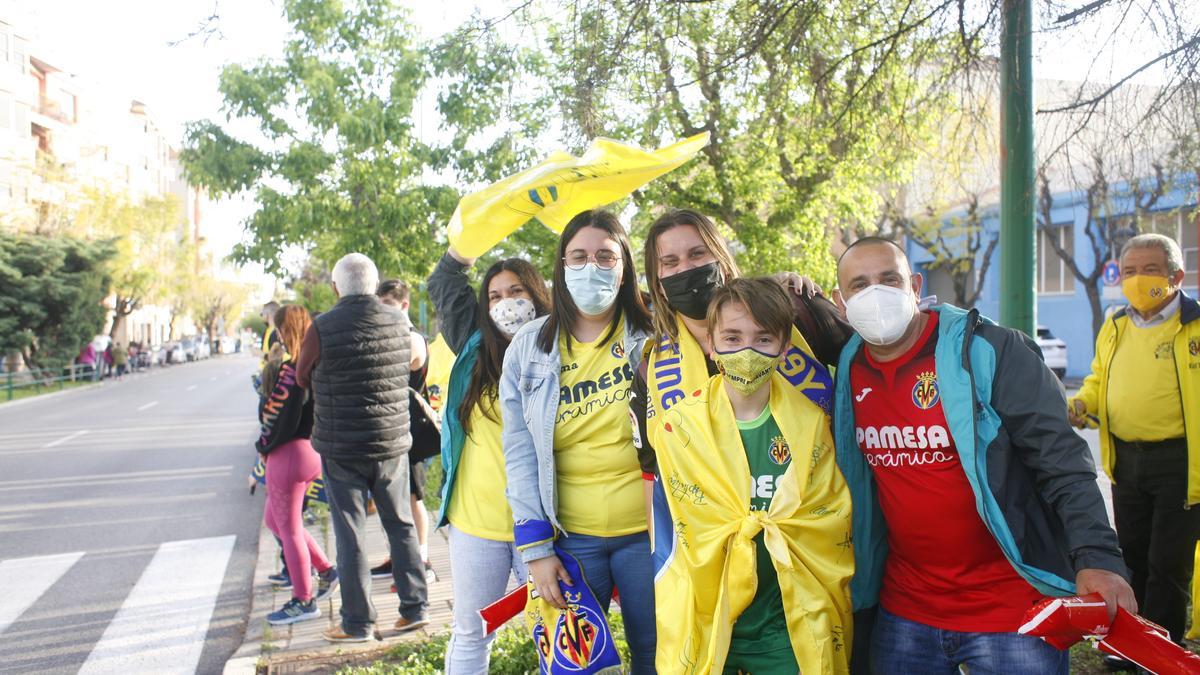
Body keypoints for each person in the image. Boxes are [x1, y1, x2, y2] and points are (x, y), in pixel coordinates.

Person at [832, 237, 1135, 674]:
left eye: (889, 279)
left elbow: (1063, 462)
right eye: (859, 285)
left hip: (1013, 611)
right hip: (906, 612)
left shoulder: (990, 350)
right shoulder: (848, 367)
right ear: (841, 304)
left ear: (915, 286)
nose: (875, 294)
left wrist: (1098, 558)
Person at [650, 277, 854, 673]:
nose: (746, 351)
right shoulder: (678, 429)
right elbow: (672, 532)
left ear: (784, 347)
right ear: (712, 344)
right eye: (732, 337)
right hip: (708, 614)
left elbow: (830, 518)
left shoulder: (811, 425)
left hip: (787, 619)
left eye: (763, 340)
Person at [500, 209, 657, 672]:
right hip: (571, 543)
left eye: (605, 256)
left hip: (651, 537)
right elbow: (520, 454)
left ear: (625, 264)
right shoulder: (528, 347)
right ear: (561, 265)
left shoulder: (656, 336)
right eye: (579, 256)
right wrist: (536, 552)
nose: (592, 267)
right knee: (580, 668)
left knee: (661, 658)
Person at [1069, 233, 1200, 647]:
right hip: (1126, 460)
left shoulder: (1194, 325)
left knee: (1168, 564)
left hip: (1180, 463)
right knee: (1130, 557)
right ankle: (1129, 645)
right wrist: (1082, 404)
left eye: (1150, 270)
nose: (1137, 280)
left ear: (1176, 276)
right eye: (1129, 272)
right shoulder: (1116, 324)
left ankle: (1161, 648)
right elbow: (1097, 380)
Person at [427, 245, 551, 673]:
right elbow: (442, 284)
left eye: (516, 291)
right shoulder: (473, 345)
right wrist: (465, 244)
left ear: (537, 295)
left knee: (557, 633)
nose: (505, 304)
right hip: (477, 523)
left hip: (544, 526)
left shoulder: (563, 349)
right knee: (472, 632)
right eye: (494, 296)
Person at [295, 253, 428, 642]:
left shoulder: (322, 326)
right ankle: (415, 609)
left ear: (336, 287)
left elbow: (303, 376)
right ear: (373, 284)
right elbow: (413, 362)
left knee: (350, 533)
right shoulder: (399, 322)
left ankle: (357, 623)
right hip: (390, 443)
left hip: (342, 447)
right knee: (401, 524)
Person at [257, 304, 339, 625]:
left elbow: (277, 419)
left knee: (288, 528)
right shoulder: (312, 364)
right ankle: (326, 570)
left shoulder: (291, 370)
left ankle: (303, 600)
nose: (275, 333)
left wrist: (262, 446)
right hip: (307, 452)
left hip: (287, 455)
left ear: (284, 330)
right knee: (276, 522)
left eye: (278, 328)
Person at [372, 279, 435, 585]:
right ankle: (399, 557)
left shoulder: (412, 339)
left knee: (412, 499)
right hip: (392, 430)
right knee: (392, 500)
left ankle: (421, 560)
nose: (381, 312)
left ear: (404, 305)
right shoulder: (392, 335)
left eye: (387, 306)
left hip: (410, 433)